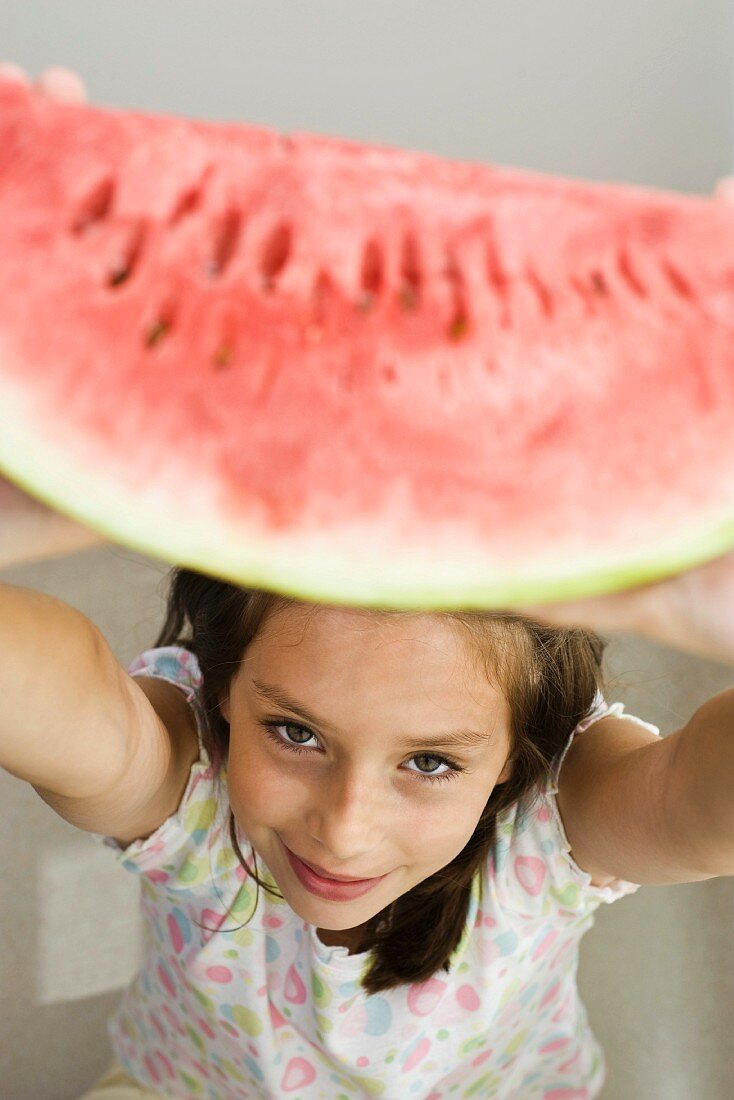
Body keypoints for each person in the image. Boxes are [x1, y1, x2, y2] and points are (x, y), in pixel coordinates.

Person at [2, 65, 734, 1100]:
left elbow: (706, 802)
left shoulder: (550, 821)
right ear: (215, 686)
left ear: (518, 748)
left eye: (430, 760)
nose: (343, 824)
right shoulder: (191, 795)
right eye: (293, 731)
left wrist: (702, 609)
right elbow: (55, 692)